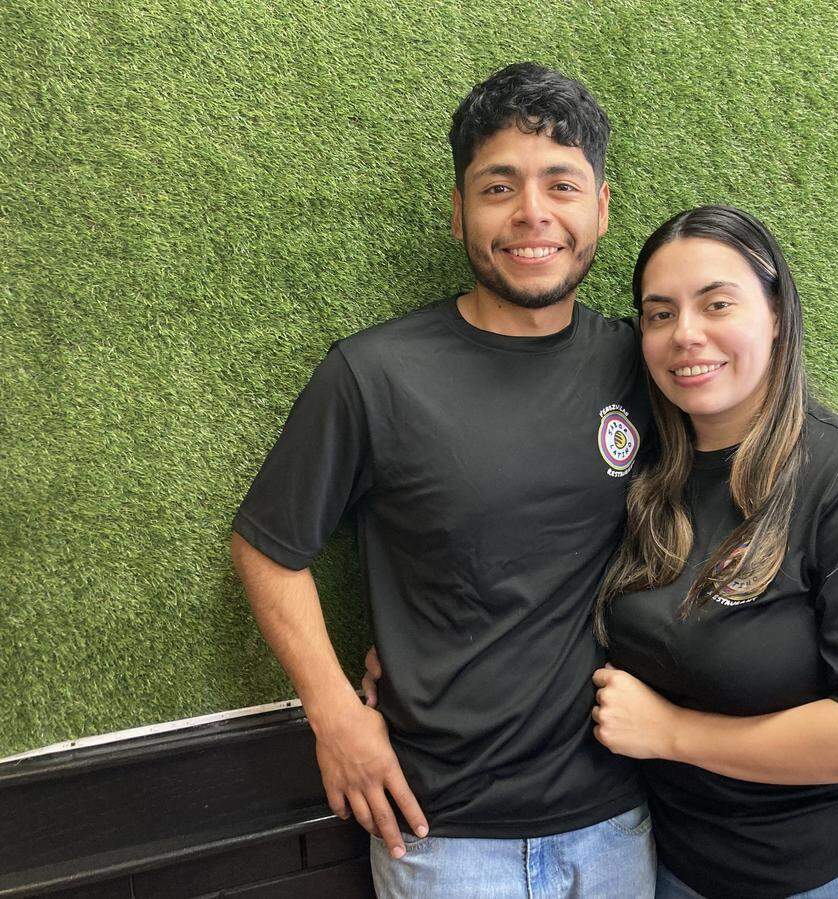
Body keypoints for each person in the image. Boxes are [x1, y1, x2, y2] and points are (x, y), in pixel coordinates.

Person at [230, 63, 656, 898]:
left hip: (618, 821)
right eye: (500, 186)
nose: (533, 213)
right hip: (442, 838)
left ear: (600, 210)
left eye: (561, 184)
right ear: (458, 211)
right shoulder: (374, 374)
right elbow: (266, 548)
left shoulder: (644, 365)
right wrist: (335, 713)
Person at [588, 205, 838, 897]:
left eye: (717, 303)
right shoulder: (647, 475)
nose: (686, 334)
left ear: (776, 314)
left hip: (837, 870)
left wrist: (673, 733)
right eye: (659, 314)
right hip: (682, 864)